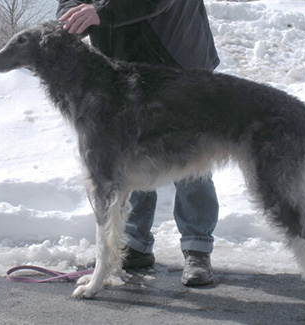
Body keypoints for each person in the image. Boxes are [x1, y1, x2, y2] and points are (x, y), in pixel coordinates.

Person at [57, 0, 220, 286]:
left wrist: (101, 12)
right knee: (130, 154)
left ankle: (197, 248)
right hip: (124, 67)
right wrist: (70, 17)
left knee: (189, 156)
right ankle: (135, 244)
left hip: (177, 59)